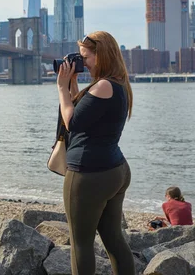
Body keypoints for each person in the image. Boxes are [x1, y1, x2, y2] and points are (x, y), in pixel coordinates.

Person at [56, 32, 135, 275]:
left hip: (89, 175)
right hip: (115, 170)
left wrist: (61, 87)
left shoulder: (102, 86)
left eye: (85, 57)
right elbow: (84, 110)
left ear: (101, 55)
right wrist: (72, 84)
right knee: (114, 239)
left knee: (81, 244)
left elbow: (73, 121)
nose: (82, 62)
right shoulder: (117, 83)